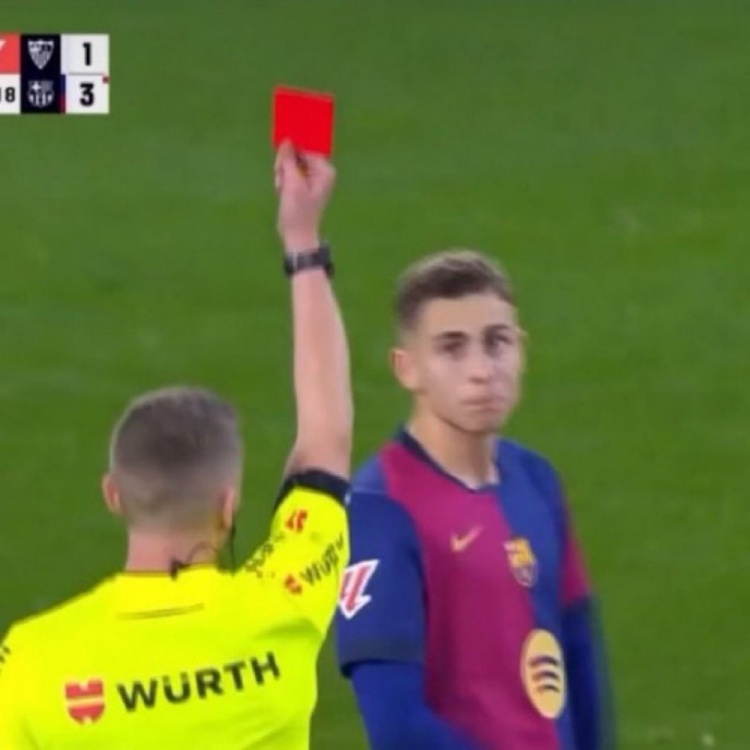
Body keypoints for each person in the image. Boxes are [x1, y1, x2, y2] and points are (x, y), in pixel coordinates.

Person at [0, 141, 352, 749]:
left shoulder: (30, 661)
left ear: (114, 495)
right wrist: (302, 239)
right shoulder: (282, 607)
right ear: (228, 504)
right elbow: (326, 442)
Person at [335, 250, 615, 750]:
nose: (482, 370)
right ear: (407, 369)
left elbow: (580, 654)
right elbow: (395, 724)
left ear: (521, 349)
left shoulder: (537, 481)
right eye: (452, 348)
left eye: (497, 342)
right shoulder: (380, 510)